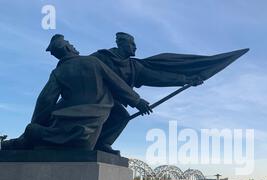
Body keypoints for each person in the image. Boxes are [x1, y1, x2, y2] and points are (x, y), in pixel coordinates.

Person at [1, 34, 152, 151]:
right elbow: (116, 83)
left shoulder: (58, 72)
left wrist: (37, 121)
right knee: (121, 116)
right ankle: (101, 143)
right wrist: (137, 101)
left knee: (120, 116)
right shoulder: (92, 62)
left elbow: (46, 101)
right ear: (68, 49)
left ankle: (30, 136)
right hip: (97, 114)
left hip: (70, 116)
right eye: (71, 45)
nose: (74, 46)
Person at [91, 32, 203, 155]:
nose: (135, 47)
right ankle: (90, 143)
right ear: (121, 44)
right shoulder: (102, 57)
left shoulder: (133, 66)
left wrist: (186, 80)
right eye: (132, 44)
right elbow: (84, 68)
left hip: (112, 101)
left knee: (121, 117)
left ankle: (101, 144)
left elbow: (158, 77)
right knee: (113, 115)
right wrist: (137, 101)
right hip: (94, 97)